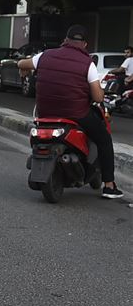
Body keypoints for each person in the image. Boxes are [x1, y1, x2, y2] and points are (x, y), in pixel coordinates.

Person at [17, 25, 123, 199]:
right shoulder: (87, 63)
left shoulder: (45, 55)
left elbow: (22, 62)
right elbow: (97, 97)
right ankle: (109, 186)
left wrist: (22, 67)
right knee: (104, 139)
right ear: (85, 44)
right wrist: (102, 92)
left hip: (44, 113)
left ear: (65, 41)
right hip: (76, 113)